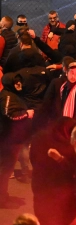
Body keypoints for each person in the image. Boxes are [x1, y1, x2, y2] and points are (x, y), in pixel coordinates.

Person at [0, 73, 34, 207]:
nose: (18, 84)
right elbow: (9, 114)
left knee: (5, 169)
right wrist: (27, 114)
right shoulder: (7, 96)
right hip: (8, 140)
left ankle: (3, 196)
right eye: (16, 83)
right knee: (5, 170)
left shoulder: (7, 95)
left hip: (8, 138)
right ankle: (2, 199)